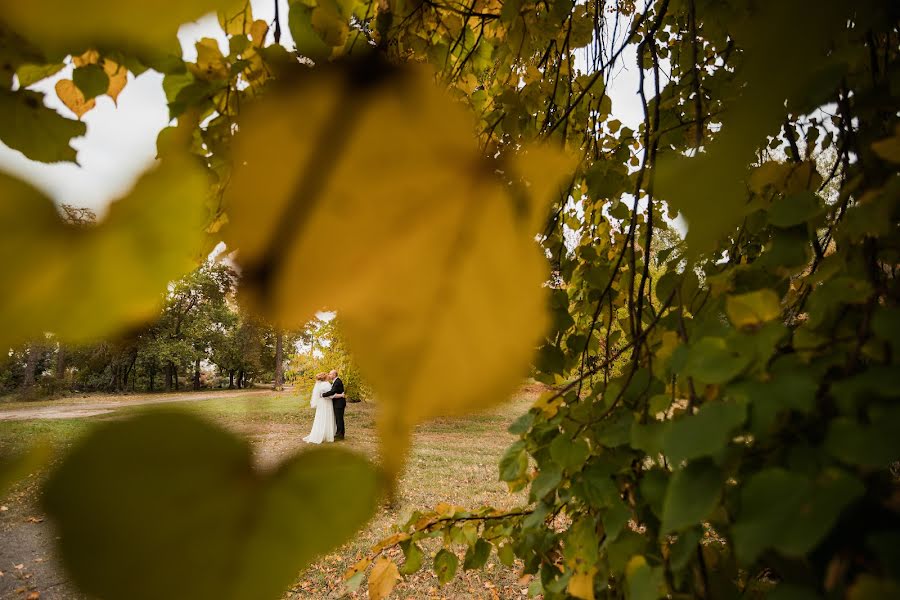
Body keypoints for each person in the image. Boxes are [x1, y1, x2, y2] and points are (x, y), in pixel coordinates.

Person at [302, 372, 336, 444]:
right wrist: (339, 395)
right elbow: (330, 396)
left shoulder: (320, 384)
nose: (328, 376)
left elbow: (320, 395)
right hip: (327, 403)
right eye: (327, 375)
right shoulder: (327, 384)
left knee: (320, 417)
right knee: (327, 416)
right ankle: (327, 435)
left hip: (321, 404)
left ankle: (320, 433)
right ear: (325, 377)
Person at [322, 369, 346, 440]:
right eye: (329, 374)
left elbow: (332, 392)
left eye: (330, 374)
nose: (329, 375)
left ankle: (340, 435)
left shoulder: (337, 381)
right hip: (338, 403)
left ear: (334, 375)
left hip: (339, 404)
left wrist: (323, 394)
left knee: (339, 419)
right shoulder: (335, 381)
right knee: (339, 419)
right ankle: (340, 434)